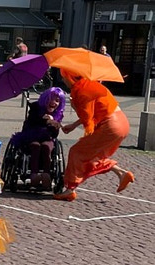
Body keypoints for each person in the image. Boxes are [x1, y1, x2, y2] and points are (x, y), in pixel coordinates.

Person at [53, 70, 134, 202]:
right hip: (122, 122)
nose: (63, 80)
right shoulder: (90, 85)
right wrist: (73, 125)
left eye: (64, 77)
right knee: (92, 155)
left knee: (76, 152)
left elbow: (87, 119)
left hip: (110, 126)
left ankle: (70, 189)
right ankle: (122, 174)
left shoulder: (82, 91)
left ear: (71, 77)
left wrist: (75, 106)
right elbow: (95, 111)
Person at [10, 87, 65, 190]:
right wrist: (44, 121)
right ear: (45, 99)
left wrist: (53, 123)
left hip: (47, 138)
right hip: (32, 136)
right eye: (51, 99)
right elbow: (30, 122)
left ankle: (46, 175)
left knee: (46, 147)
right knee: (35, 146)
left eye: (57, 100)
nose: (53, 102)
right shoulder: (36, 107)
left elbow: (55, 134)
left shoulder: (58, 114)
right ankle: (34, 175)